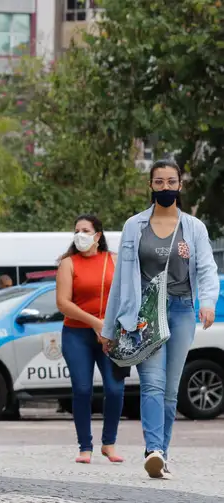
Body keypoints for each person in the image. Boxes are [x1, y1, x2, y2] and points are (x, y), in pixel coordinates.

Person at [101, 159, 220, 479]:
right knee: (152, 383)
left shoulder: (194, 227)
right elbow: (121, 281)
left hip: (181, 311)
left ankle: (161, 454)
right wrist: (110, 327)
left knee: (170, 389)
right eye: (159, 182)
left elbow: (207, 268)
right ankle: (153, 448)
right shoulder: (133, 226)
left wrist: (207, 302)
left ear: (180, 186)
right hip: (144, 314)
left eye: (171, 182)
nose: (165, 188)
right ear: (150, 187)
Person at [56, 214, 125, 464]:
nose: (80, 235)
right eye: (76, 230)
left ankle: (109, 443)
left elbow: (126, 295)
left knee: (115, 389)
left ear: (97, 236)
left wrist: (112, 326)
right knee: (82, 389)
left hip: (110, 335)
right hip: (77, 333)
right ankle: (85, 446)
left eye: (85, 230)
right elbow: (63, 303)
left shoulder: (114, 260)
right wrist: (95, 322)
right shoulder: (68, 263)